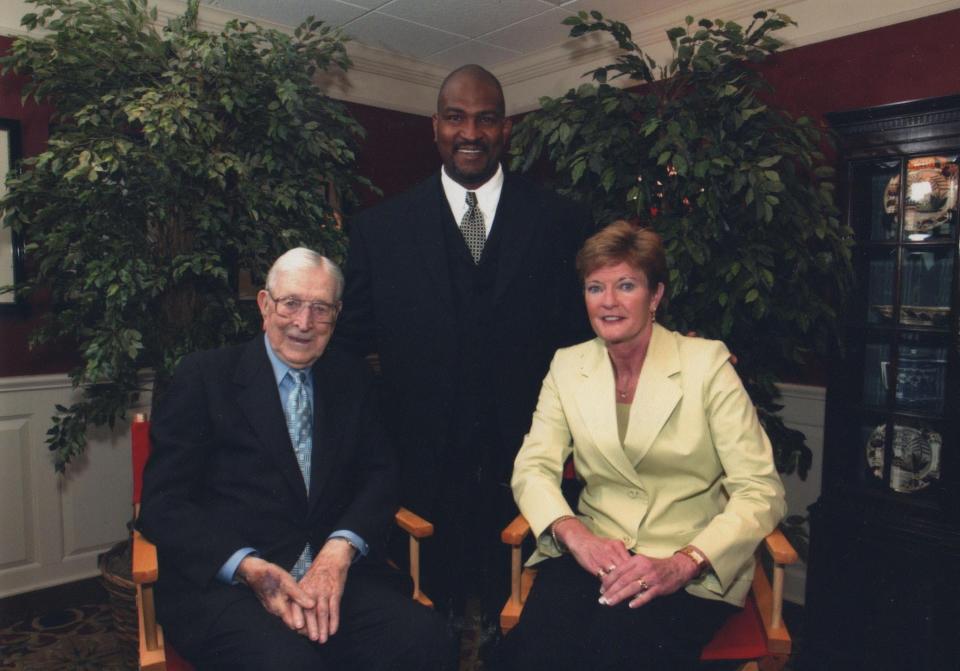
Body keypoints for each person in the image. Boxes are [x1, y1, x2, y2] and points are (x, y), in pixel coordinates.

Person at [334, 64, 592, 623]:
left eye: (486, 118)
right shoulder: (380, 230)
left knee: (523, 619)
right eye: (455, 117)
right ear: (435, 127)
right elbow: (348, 347)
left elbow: (589, 334)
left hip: (525, 463)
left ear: (506, 130)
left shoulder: (560, 221)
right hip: (420, 468)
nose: (469, 132)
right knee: (427, 621)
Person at [138, 248, 451, 671]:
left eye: (320, 309)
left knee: (426, 639)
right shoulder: (205, 377)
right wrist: (248, 567)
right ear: (265, 305)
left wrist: (340, 551)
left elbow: (380, 475)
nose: (304, 324)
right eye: (291, 304)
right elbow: (164, 504)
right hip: (235, 590)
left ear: (336, 315)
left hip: (336, 578)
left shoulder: (352, 378)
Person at [505, 221, 786, 670]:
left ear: (655, 296)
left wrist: (684, 562)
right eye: (595, 287)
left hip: (687, 568)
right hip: (595, 554)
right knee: (536, 650)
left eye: (626, 285)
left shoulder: (706, 365)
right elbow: (533, 466)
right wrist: (575, 535)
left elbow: (760, 489)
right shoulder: (567, 365)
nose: (609, 301)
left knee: (612, 650)